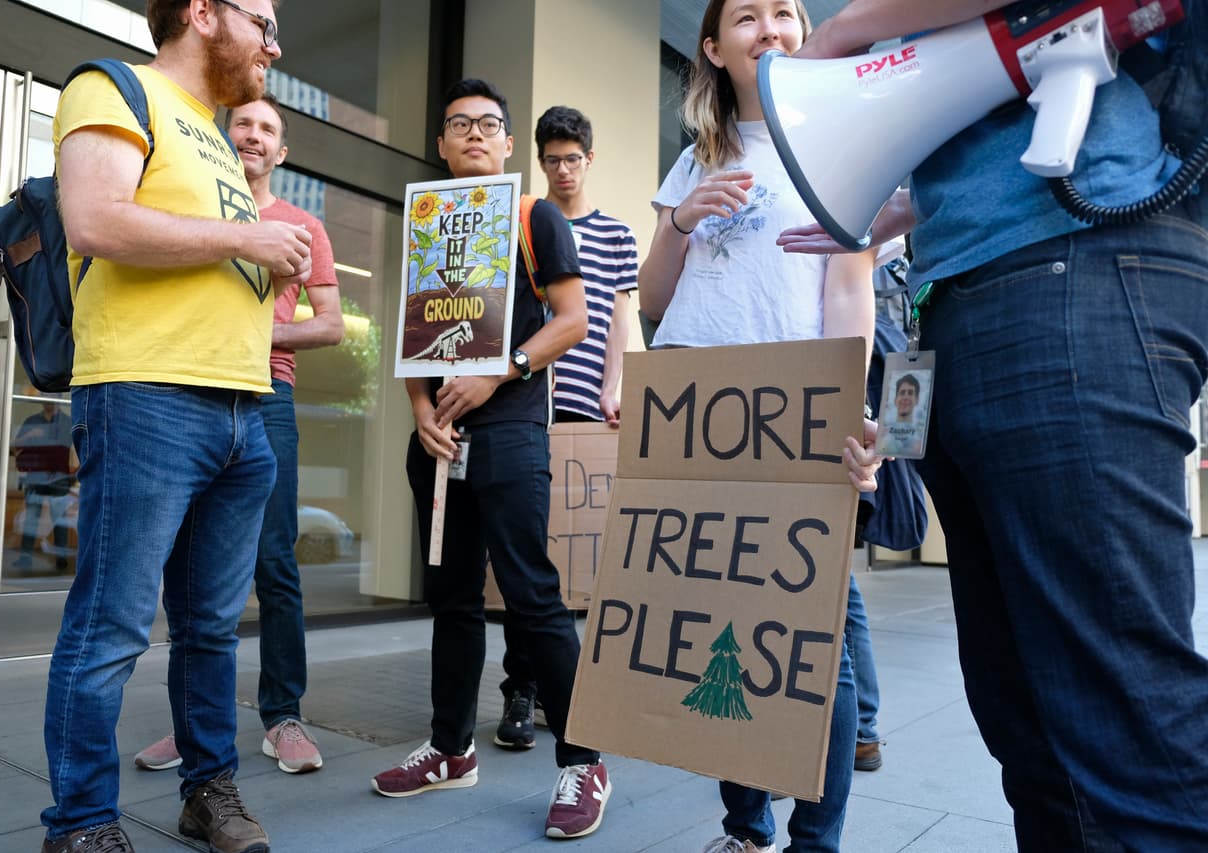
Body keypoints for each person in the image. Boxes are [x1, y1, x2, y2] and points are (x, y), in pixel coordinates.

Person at [779, 1, 1208, 848]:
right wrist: (920, 209)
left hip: (1068, 265)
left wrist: (843, 33)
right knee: (1027, 711)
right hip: (989, 289)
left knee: (1120, 712)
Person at [41, 1, 312, 850]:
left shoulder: (216, 136)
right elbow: (95, 220)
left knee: (208, 629)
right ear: (202, 11)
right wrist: (252, 240)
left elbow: (208, 257)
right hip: (147, 397)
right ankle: (81, 823)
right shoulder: (113, 87)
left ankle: (209, 793)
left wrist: (267, 262)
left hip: (242, 411)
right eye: (263, 21)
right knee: (112, 625)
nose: (274, 43)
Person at [637, 2, 889, 851]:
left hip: (796, 413)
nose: (770, 26)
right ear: (714, 48)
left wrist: (848, 402)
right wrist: (681, 218)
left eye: (785, 10)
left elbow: (852, 290)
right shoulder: (694, 158)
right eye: (747, 15)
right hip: (699, 411)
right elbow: (653, 301)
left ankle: (817, 839)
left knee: (821, 640)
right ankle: (746, 829)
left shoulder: (835, 139)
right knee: (718, 633)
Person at [371, 78, 612, 841]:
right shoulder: (427, 223)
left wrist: (499, 368)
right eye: (459, 124)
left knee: (533, 594)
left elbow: (573, 320)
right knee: (451, 599)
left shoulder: (533, 216)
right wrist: (421, 418)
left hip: (510, 431)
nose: (474, 133)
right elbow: (413, 342)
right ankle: (450, 748)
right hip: (439, 443)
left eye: (489, 124)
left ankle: (584, 759)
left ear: (509, 144)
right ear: (441, 143)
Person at [133, 92, 343, 777]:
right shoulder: (191, 210)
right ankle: (195, 725)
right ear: (224, 139)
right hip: (188, 388)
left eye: (267, 130)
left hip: (266, 395)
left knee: (274, 562)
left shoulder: (303, 224)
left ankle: (283, 715)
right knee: (188, 572)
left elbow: (331, 323)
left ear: (281, 152)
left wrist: (258, 330)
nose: (253, 135)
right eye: (243, 124)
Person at [494, 104, 640, 752]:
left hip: (582, 403)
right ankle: (519, 688)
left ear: (589, 159)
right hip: (525, 402)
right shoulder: (525, 222)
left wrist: (614, 388)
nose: (562, 169)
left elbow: (615, 317)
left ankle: (570, 692)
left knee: (571, 555)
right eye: (551, 159)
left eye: (572, 158)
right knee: (522, 551)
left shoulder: (613, 235)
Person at [11, 390, 75, 572]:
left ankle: (61, 558)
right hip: (35, 478)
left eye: (53, 395)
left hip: (61, 479)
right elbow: (14, 448)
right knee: (31, 518)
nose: (50, 399)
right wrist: (30, 435)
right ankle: (25, 557)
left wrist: (74, 475)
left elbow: (76, 451)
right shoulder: (31, 422)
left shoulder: (68, 423)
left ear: (60, 399)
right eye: (46, 395)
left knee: (60, 521)